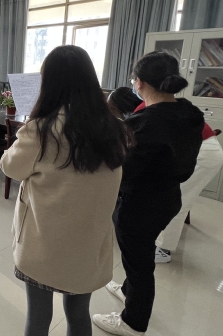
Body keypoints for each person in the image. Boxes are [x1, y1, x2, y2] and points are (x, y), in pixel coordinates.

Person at [0, 45, 131, 336]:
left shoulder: (41, 130)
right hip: (88, 245)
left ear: (49, 83)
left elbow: (10, 167)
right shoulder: (114, 128)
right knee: (79, 314)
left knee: (38, 316)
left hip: (43, 245)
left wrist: (23, 132)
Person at [93, 52, 204, 336]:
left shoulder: (145, 123)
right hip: (169, 198)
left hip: (139, 205)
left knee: (139, 263)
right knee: (139, 254)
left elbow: (123, 171)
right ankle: (128, 291)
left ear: (139, 82)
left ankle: (133, 322)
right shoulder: (190, 112)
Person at [130, 102, 223, 263]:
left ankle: (163, 250)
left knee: (177, 201)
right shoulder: (162, 102)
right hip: (199, 149)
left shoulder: (145, 109)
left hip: (202, 154)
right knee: (171, 198)